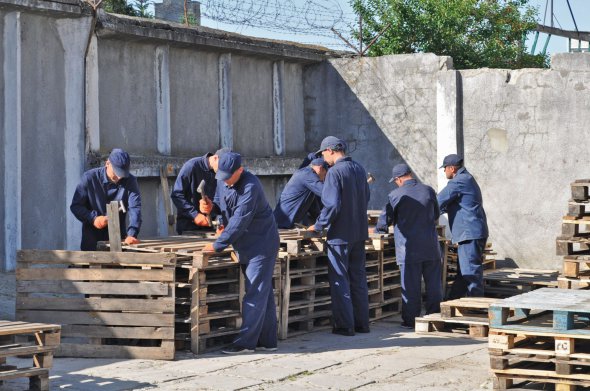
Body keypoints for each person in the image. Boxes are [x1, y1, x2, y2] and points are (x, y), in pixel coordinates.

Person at [202, 152, 280, 354]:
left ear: (240, 170)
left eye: (229, 176)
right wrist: (211, 208)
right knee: (263, 293)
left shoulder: (251, 187)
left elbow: (239, 221)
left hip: (261, 245)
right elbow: (221, 205)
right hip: (245, 244)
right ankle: (268, 341)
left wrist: (218, 245)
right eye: (222, 175)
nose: (225, 180)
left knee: (254, 293)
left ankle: (245, 343)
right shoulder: (222, 179)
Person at [309, 136, 370, 336]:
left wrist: (318, 226)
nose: (323, 157)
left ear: (331, 150)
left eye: (323, 153)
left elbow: (332, 205)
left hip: (340, 235)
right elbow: (366, 198)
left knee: (340, 280)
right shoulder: (359, 169)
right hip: (359, 233)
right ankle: (362, 324)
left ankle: (345, 326)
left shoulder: (335, 172)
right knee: (358, 279)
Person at [373, 163, 442, 328]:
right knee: (433, 285)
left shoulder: (395, 195)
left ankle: (411, 321)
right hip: (431, 247)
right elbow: (436, 214)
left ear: (398, 179)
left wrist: (378, 229)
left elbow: (383, 223)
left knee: (411, 286)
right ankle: (434, 317)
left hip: (408, 249)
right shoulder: (428, 190)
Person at [437, 154, 489, 298]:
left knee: (470, 272)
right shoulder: (468, 179)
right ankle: (452, 301)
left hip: (469, 233)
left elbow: (438, 200)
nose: (444, 172)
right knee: (464, 272)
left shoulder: (458, 182)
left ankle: (476, 305)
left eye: (445, 169)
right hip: (475, 231)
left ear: (452, 168)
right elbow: (457, 205)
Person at [70, 148, 142, 251]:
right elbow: (76, 206)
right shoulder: (89, 178)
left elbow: (135, 208)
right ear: (107, 163)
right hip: (91, 241)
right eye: (116, 172)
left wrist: (132, 233)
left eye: (122, 174)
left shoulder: (130, 181)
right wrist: (93, 218)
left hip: (119, 242)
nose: (119, 177)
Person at [170, 151, 225, 234]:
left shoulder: (221, 174)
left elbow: (220, 201)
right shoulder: (191, 166)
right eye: (223, 166)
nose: (223, 170)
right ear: (215, 158)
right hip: (188, 227)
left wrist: (212, 207)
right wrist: (194, 215)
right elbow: (177, 195)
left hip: (210, 228)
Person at [273, 157, 328, 229]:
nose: (324, 179)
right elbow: (327, 193)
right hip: (281, 224)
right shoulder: (307, 174)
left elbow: (314, 208)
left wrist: (321, 223)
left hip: (285, 223)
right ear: (320, 168)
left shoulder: (306, 176)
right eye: (325, 175)